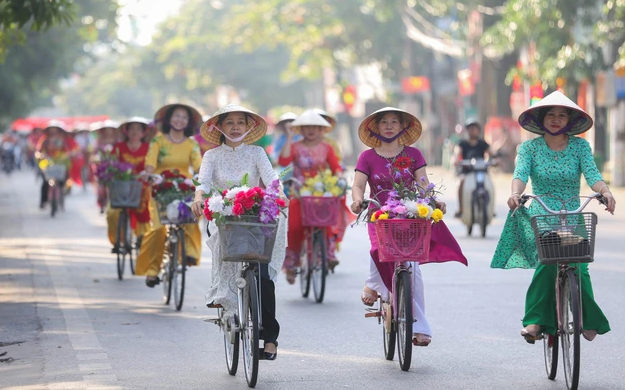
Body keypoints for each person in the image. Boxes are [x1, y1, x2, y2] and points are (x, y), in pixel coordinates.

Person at [491, 91, 616, 343]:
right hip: (542, 213)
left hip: (573, 213)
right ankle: (536, 319)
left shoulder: (580, 146)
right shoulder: (529, 148)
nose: (556, 119)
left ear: (569, 120)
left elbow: (592, 175)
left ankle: (587, 319)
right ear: (541, 119)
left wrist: (605, 191)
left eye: (562, 115)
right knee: (547, 264)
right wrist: (515, 194)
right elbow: (520, 175)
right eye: (551, 115)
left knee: (580, 267)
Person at [350, 107, 467, 347]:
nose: (390, 126)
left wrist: (432, 200)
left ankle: (419, 327)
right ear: (376, 127)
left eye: (395, 122)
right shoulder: (367, 157)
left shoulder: (414, 154)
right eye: (384, 122)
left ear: (403, 127)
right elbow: (358, 185)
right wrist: (356, 199)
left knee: (412, 269)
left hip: (409, 216)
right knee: (377, 250)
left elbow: (423, 184)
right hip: (379, 216)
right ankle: (375, 282)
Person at [190, 103, 288, 361]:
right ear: (219, 127)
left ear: (249, 127)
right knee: (226, 262)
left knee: (263, 278)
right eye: (229, 122)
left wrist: (279, 194)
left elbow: (271, 178)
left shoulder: (257, 152)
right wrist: (199, 197)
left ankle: (270, 339)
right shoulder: (211, 155)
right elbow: (203, 182)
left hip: (254, 219)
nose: (235, 127)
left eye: (240, 122)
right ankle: (226, 300)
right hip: (225, 218)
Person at [135, 103, 204, 287]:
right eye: (176, 116)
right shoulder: (158, 141)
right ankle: (152, 270)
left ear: (188, 122)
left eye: (184, 117)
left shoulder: (191, 143)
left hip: (184, 187)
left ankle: (189, 253)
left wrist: (201, 175)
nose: (180, 120)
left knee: (192, 215)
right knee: (157, 229)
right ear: (169, 119)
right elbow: (150, 162)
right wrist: (149, 174)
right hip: (161, 187)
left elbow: (198, 164)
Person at [278, 109, 343, 283]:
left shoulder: (327, 147)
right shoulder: (295, 146)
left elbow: (336, 167)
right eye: (307, 127)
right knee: (294, 226)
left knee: (327, 219)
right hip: (300, 192)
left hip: (322, 190)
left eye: (315, 127)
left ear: (322, 129)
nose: (311, 130)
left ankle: (328, 253)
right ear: (301, 129)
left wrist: (339, 180)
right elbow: (283, 162)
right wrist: (290, 137)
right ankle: (291, 264)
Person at [106, 117, 152, 253]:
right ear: (126, 131)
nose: (135, 132)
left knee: (146, 209)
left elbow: (153, 166)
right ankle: (117, 241)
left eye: (138, 129)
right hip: (122, 187)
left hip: (141, 187)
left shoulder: (149, 148)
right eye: (132, 129)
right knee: (112, 213)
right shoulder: (118, 147)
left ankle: (141, 236)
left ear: (144, 132)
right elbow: (110, 165)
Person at [453, 118, 493, 218]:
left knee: (490, 185)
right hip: (467, 172)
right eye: (470, 128)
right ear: (467, 130)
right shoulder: (462, 143)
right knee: (461, 182)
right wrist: (456, 159)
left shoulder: (482, 143)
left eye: (475, 128)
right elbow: (457, 152)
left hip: (482, 171)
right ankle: (461, 208)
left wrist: (495, 159)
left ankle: (490, 209)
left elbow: (491, 152)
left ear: (478, 130)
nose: (473, 131)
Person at [36, 121, 79, 209]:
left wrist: (68, 155)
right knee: (45, 182)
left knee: (64, 177)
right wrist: (40, 156)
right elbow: (38, 151)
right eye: (51, 130)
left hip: (60, 163)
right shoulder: (44, 141)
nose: (53, 132)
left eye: (55, 130)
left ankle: (62, 192)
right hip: (48, 163)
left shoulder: (62, 141)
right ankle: (43, 201)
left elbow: (68, 151)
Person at [91, 120, 121, 213]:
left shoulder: (118, 141)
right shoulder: (100, 141)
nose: (109, 132)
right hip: (103, 167)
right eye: (107, 130)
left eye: (110, 130)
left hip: (115, 166)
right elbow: (95, 153)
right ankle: (102, 203)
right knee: (102, 186)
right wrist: (96, 159)